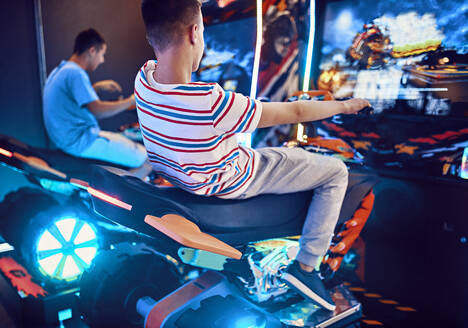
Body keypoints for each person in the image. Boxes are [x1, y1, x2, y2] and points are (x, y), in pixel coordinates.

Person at [137, 0, 370, 311]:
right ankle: (306, 267)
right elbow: (297, 110)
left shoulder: (143, 78)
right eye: (204, 31)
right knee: (336, 172)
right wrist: (345, 106)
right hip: (234, 179)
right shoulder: (210, 102)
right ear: (195, 33)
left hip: (181, 179)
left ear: (152, 37)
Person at [43, 28, 147, 168]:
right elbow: (97, 110)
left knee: (123, 141)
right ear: (92, 51)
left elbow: (69, 99)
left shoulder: (61, 70)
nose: (102, 60)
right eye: (102, 54)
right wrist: (131, 100)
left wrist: (95, 87)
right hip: (81, 140)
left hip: (66, 139)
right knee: (147, 159)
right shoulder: (76, 74)